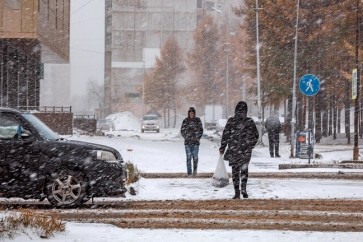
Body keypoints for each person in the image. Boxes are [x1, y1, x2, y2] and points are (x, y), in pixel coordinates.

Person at [219, 101, 259, 199]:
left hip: (234, 150)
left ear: (236, 109)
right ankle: (244, 188)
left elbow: (225, 135)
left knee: (235, 172)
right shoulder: (249, 121)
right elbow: (256, 135)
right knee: (244, 170)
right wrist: (250, 145)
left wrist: (223, 147)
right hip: (245, 151)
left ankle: (237, 192)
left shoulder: (231, 121)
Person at [181, 107, 204, 176]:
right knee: (188, 158)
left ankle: (195, 171)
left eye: (193, 113)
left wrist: (197, 138)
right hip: (187, 143)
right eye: (190, 113)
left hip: (196, 143)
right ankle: (189, 173)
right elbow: (182, 131)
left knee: (195, 158)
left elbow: (201, 130)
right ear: (188, 113)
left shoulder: (198, 120)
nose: (192, 114)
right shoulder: (185, 121)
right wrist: (186, 137)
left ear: (194, 113)